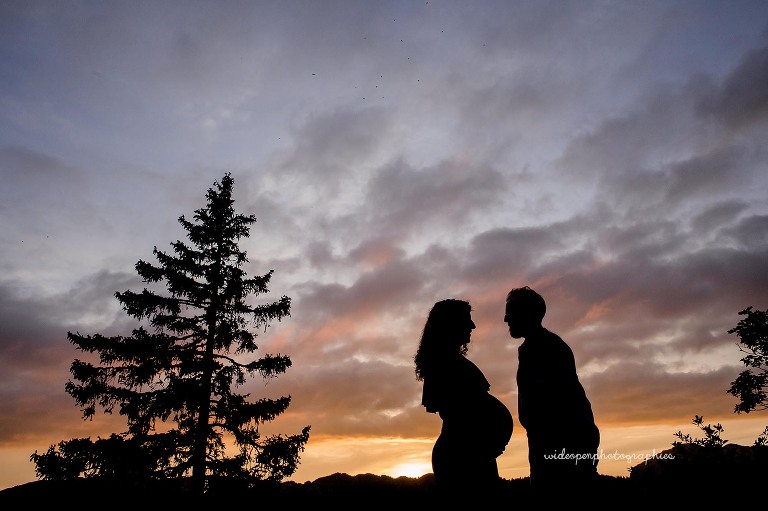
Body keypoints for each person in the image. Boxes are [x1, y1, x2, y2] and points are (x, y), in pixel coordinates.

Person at [504, 286, 600, 497]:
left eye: (511, 312)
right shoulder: (535, 347)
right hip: (551, 442)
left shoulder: (545, 347)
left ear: (528, 314)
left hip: (563, 443)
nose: (505, 319)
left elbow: (558, 402)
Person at [415, 299, 513, 502]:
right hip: (463, 458)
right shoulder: (444, 365)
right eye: (467, 320)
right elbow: (465, 415)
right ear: (451, 324)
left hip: (472, 454)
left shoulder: (449, 362)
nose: (473, 326)